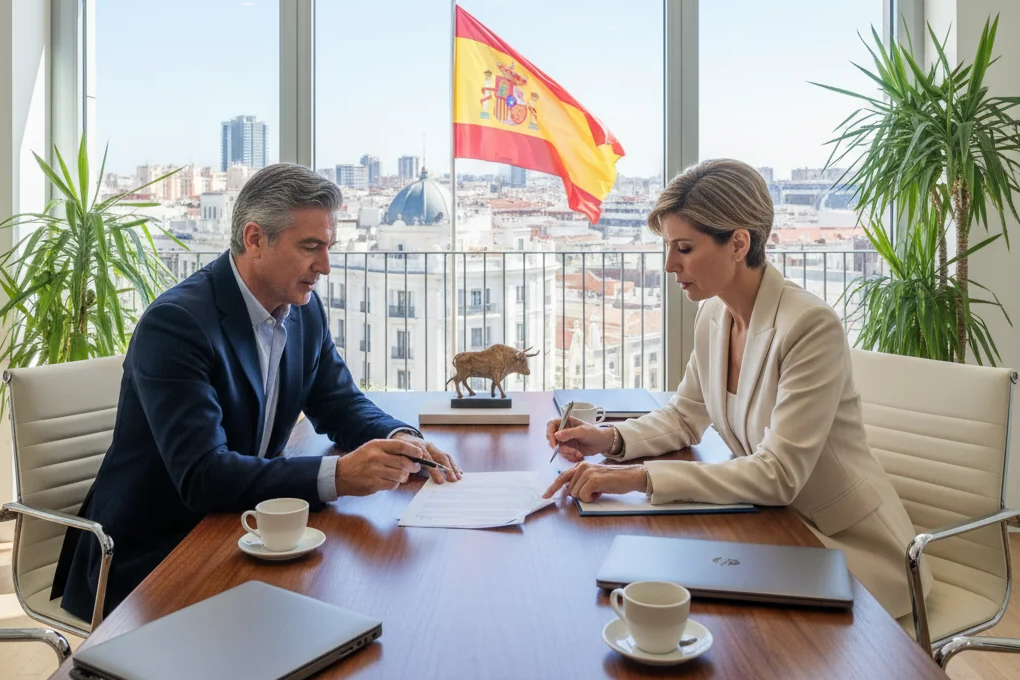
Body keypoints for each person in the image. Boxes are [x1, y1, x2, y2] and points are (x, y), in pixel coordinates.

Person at [53, 163, 461, 622]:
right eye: (310, 247)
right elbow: (204, 475)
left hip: (244, 527)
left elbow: (340, 402)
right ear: (254, 239)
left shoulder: (303, 310)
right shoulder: (177, 325)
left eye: (328, 247)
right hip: (156, 555)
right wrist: (341, 476)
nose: (324, 267)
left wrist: (401, 439)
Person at [542, 159, 930, 620]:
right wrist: (608, 439)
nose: (669, 265)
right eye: (668, 247)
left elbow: (778, 474)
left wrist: (638, 477)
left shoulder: (810, 326)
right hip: (772, 526)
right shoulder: (714, 314)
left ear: (739, 244)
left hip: (848, 547)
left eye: (684, 248)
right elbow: (685, 415)